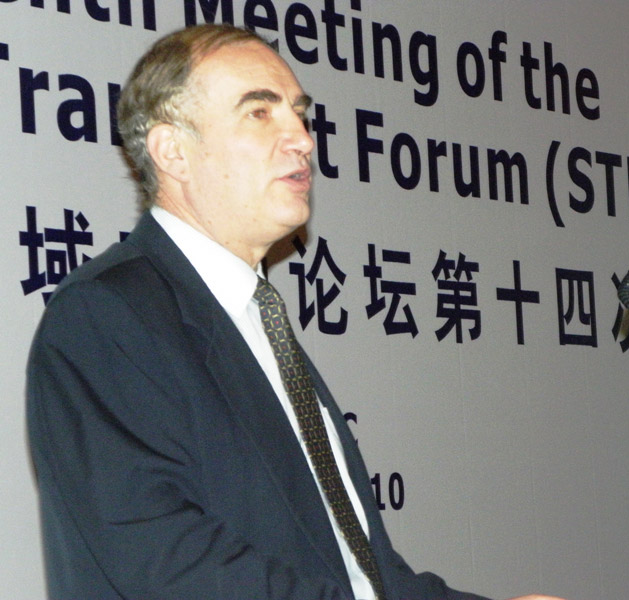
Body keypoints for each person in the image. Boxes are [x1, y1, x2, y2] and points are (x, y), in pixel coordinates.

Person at [26, 24, 563, 600]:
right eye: (260, 113)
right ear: (173, 151)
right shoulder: (107, 316)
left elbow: (364, 574)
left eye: (300, 114)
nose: (302, 139)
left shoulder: (258, 319)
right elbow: (167, 561)